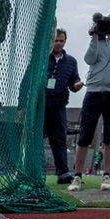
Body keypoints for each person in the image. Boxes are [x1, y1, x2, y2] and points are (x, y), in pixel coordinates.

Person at [70, 12, 110, 192]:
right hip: (93, 92)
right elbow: (89, 59)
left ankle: (106, 175)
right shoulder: (98, 41)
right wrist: (95, 37)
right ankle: (77, 176)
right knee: (84, 136)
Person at [44, 28, 83, 183]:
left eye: (61, 41)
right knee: (34, 140)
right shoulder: (41, 58)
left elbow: (74, 83)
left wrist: (77, 85)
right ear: (51, 41)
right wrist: (22, 103)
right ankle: (31, 171)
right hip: (40, 106)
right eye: (56, 40)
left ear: (65, 41)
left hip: (58, 106)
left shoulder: (71, 62)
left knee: (59, 139)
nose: (58, 43)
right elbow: (28, 77)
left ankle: (63, 173)